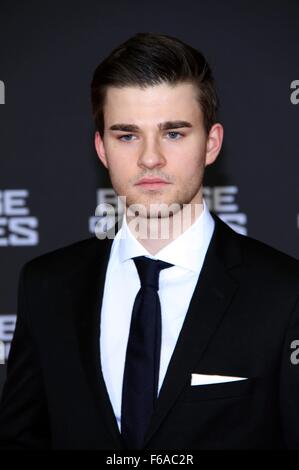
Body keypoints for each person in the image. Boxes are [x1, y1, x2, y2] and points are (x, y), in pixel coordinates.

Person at [0, 32, 298, 450]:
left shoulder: (285, 293)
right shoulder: (46, 286)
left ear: (211, 144)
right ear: (101, 148)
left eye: (174, 134)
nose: (150, 158)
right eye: (127, 136)